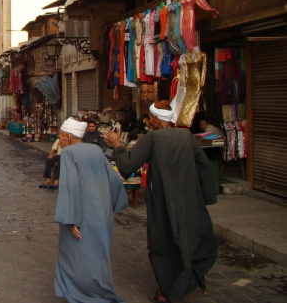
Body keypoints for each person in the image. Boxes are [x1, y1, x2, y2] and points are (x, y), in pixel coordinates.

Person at [104, 101, 217, 303]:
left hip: (164, 202)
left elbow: (127, 167)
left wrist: (118, 146)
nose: (148, 122)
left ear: (155, 120)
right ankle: (187, 279)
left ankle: (166, 293)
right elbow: (204, 166)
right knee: (189, 239)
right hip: (189, 201)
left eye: (150, 118)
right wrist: (206, 198)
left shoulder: (153, 138)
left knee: (163, 244)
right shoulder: (186, 136)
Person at [54, 118, 128, 303]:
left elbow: (69, 187)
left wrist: (71, 219)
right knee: (99, 259)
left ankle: (79, 293)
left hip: (81, 217)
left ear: (69, 138)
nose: (60, 141)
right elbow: (115, 181)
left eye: (62, 137)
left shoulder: (69, 153)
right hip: (101, 215)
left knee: (74, 258)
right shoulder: (96, 150)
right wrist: (110, 207)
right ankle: (100, 291)